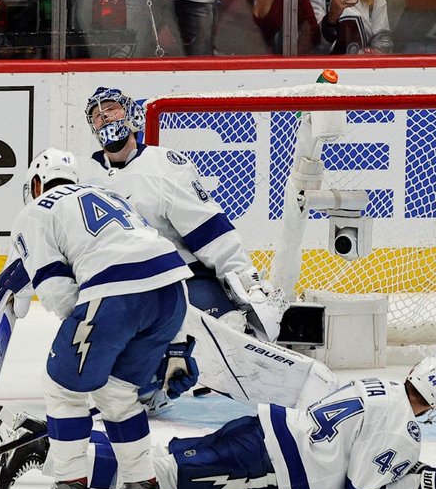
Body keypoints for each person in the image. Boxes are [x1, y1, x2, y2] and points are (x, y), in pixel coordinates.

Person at [0, 147, 194, 489]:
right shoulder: (108, 194)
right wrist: (178, 344)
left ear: (35, 183)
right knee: (117, 392)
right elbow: (152, 252)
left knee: (64, 386)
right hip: (173, 292)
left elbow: (57, 290)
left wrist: (80, 345)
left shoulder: (35, 210)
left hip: (118, 293)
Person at [0, 355, 436, 489]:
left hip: (261, 428)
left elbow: (363, 448)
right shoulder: (403, 426)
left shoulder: (382, 384)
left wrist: (410, 470)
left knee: (160, 459)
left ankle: (37, 435)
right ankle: (38, 445)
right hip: (267, 468)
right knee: (164, 476)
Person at [82, 87, 288, 345]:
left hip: (178, 275)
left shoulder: (164, 165)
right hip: (119, 287)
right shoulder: (81, 178)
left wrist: (245, 279)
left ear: (131, 115)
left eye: (112, 109)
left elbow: (208, 230)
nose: (106, 118)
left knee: (227, 330)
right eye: (98, 116)